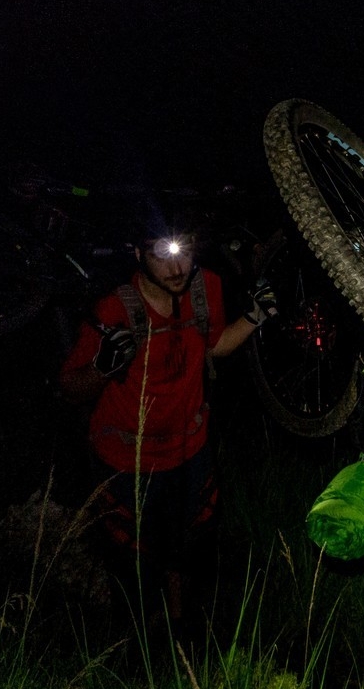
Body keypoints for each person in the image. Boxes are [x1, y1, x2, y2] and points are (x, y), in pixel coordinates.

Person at [60, 211, 275, 629]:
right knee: (133, 558)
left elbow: (213, 347)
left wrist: (253, 318)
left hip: (190, 450)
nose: (177, 268)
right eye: (163, 255)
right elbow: (70, 387)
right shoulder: (115, 308)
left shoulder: (204, 287)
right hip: (127, 461)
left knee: (185, 547)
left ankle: (180, 630)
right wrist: (102, 368)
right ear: (139, 254)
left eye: (185, 252)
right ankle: (135, 638)